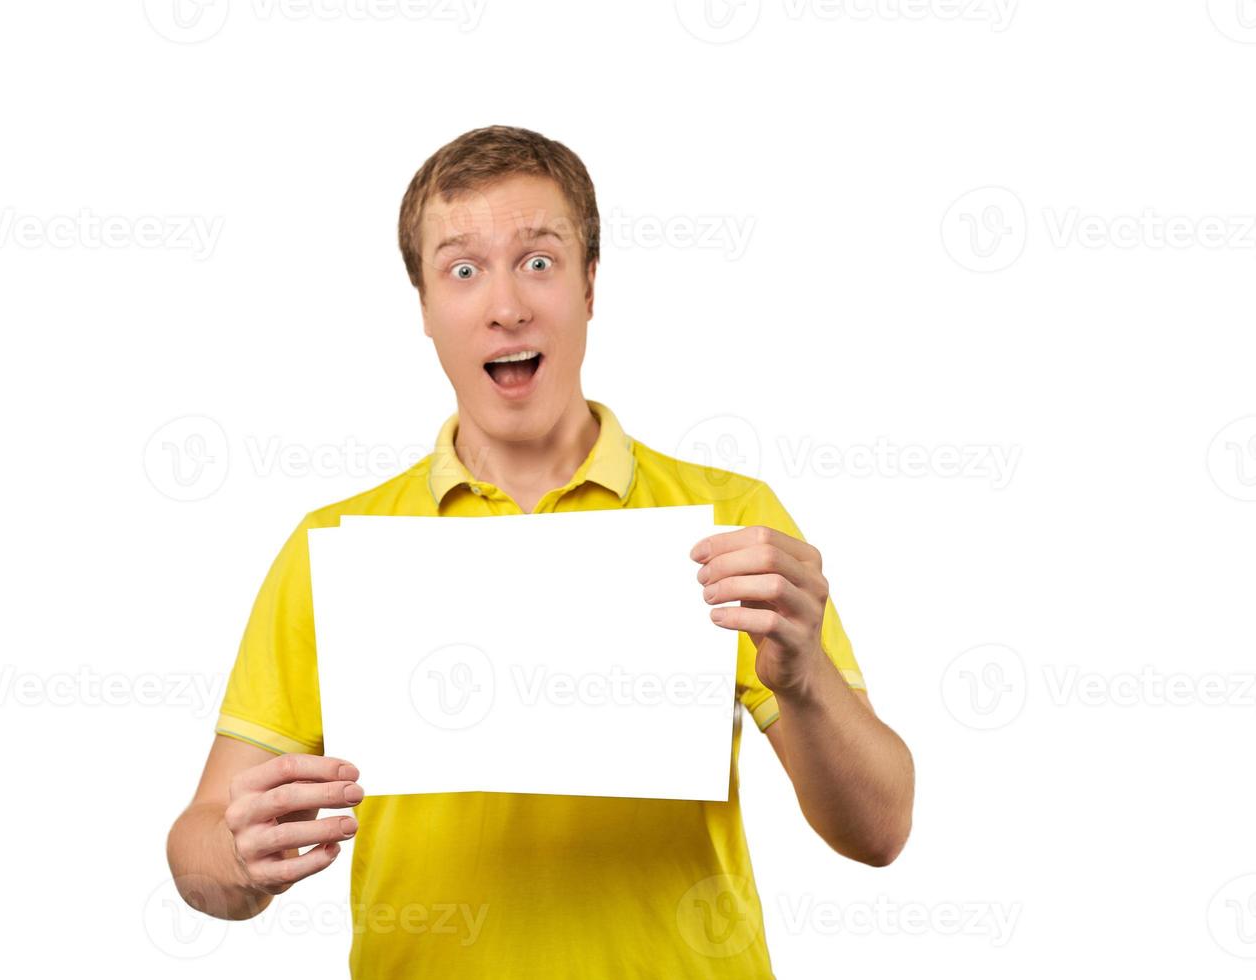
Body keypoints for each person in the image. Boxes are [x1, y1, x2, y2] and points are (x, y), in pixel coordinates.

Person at [165, 124, 915, 978]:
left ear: (591, 285)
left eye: (538, 261)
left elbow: (881, 832)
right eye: (462, 269)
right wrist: (237, 856)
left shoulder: (728, 520)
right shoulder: (333, 550)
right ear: (422, 308)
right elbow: (197, 851)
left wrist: (805, 676)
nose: (506, 306)